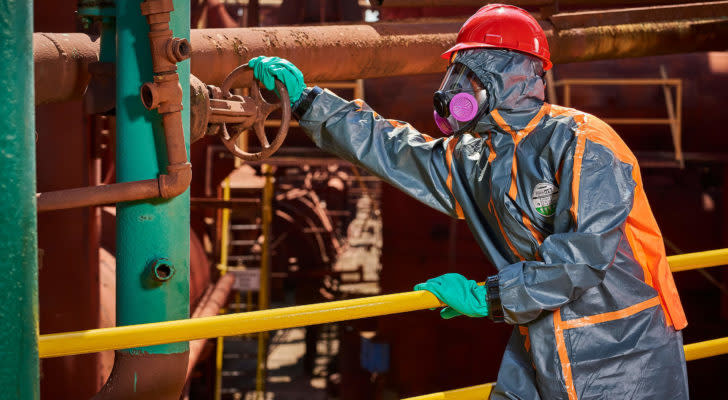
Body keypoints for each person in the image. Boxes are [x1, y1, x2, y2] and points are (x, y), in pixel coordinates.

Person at [247, 4, 689, 399]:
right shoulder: (480, 155)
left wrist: (489, 297)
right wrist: (309, 102)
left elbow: (583, 260)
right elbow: (396, 150)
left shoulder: (584, 144)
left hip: (624, 353)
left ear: (510, 74)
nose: (455, 87)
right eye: (456, 73)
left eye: (470, 74)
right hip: (542, 341)